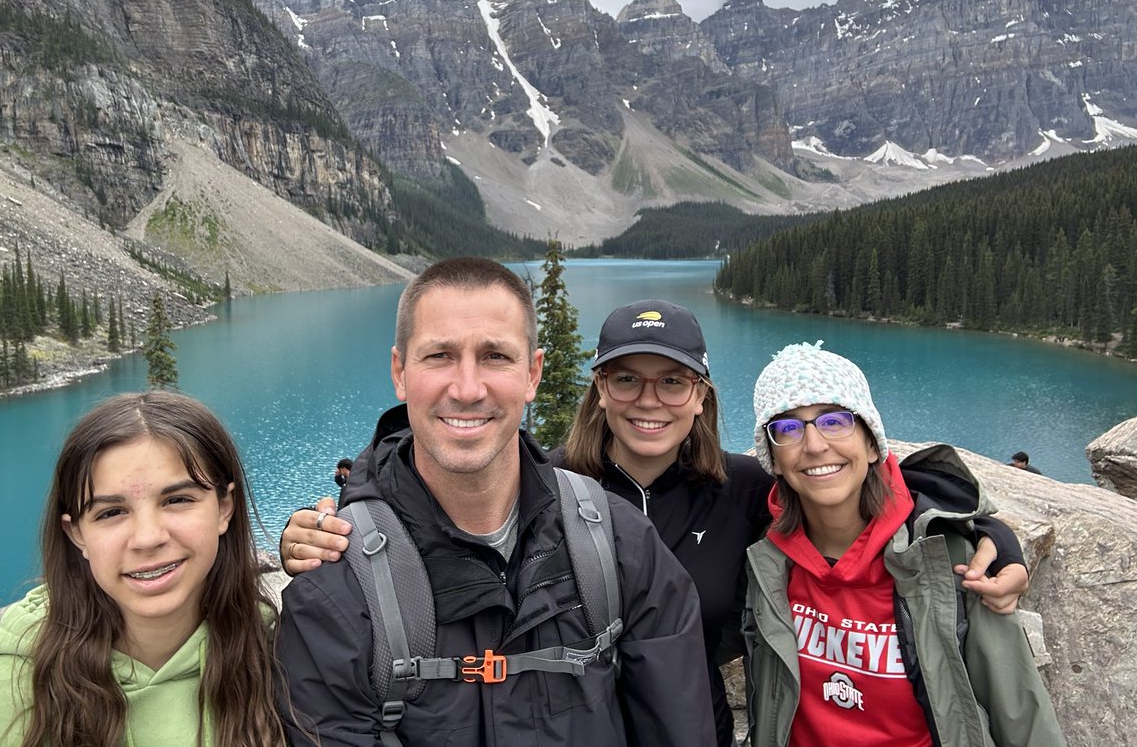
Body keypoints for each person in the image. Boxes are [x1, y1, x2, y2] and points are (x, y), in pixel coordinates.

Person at [282, 299, 1031, 746]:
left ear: (701, 396)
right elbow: (435, 475)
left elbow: (871, 480)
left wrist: (983, 528)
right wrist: (330, 517)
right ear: (597, 389)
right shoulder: (553, 494)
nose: (650, 399)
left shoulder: (745, 489)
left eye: (673, 381)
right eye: (626, 379)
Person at [274, 258, 714, 745]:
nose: (467, 388)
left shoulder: (622, 544)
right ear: (400, 372)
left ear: (533, 374)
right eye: (439, 355)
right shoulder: (337, 584)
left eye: (495, 357)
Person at [743, 342, 1064, 746]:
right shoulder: (766, 559)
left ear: (873, 442)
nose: (814, 445)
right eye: (786, 428)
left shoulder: (949, 559)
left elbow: (1019, 711)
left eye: (835, 421)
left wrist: (993, 535)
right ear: (772, 456)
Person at [0, 391, 287, 747]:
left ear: (224, 508)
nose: (148, 538)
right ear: (77, 534)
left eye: (177, 500)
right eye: (111, 513)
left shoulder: (281, 664)